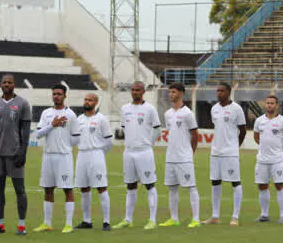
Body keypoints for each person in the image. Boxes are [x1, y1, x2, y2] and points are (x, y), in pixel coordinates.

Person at [0, 74, 31, 235]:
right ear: (0, 85)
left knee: (20, 190)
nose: (7, 84)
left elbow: (26, 132)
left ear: (14, 85)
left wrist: (23, 152)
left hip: (14, 154)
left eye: (9, 82)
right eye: (4, 82)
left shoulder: (22, 104)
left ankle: (21, 225)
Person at [113, 81, 161, 230]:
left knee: (149, 184)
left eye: (138, 90)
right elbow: (124, 128)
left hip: (144, 152)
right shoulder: (125, 109)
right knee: (130, 185)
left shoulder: (150, 109)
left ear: (143, 92)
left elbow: (157, 129)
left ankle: (152, 220)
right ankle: (128, 219)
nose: (134, 92)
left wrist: (148, 143)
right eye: (133, 90)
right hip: (129, 152)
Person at [33, 84, 80, 233]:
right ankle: (47, 223)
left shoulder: (71, 115)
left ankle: (68, 224)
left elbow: (76, 138)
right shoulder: (46, 113)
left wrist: (65, 146)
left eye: (59, 94)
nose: (56, 96)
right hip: (48, 156)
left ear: (65, 96)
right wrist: (52, 125)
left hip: (64, 157)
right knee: (48, 189)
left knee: (67, 189)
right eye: (54, 94)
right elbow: (38, 134)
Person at [203, 83, 246, 226]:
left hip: (230, 153)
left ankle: (235, 217)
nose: (219, 93)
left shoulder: (236, 109)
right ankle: (215, 216)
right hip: (216, 152)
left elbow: (243, 130)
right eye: (217, 91)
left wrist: (235, 146)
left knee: (235, 182)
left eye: (222, 91)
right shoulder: (214, 109)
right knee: (215, 182)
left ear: (228, 92)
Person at [159, 83, 201, 228]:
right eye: (170, 92)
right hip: (170, 157)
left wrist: (190, 152)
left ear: (181, 94)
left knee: (191, 187)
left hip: (184, 158)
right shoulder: (168, 114)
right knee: (172, 188)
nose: (171, 94)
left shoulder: (188, 113)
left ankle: (196, 219)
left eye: (174, 92)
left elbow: (195, 134)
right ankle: (174, 218)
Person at [74, 93, 113, 231]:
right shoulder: (79, 119)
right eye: (85, 99)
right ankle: (87, 220)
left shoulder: (101, 119)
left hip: (96, 155)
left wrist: (100, 155)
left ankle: (106, 221)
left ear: (95, 103)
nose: (87, 102)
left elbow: (109, 141)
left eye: (90, 100)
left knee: (101, 188)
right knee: (84, 189)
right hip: (82, 155)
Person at [253, 95, 283, 223]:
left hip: (277, 160)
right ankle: (264, 214)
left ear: (277, 105)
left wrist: (280, 148)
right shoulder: (259, 121)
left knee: (279, 185)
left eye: (272, 103)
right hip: (262, 160)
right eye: (268, 103)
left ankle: (282, 216)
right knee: (262, 186)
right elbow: (256, 137)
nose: (269, 105)